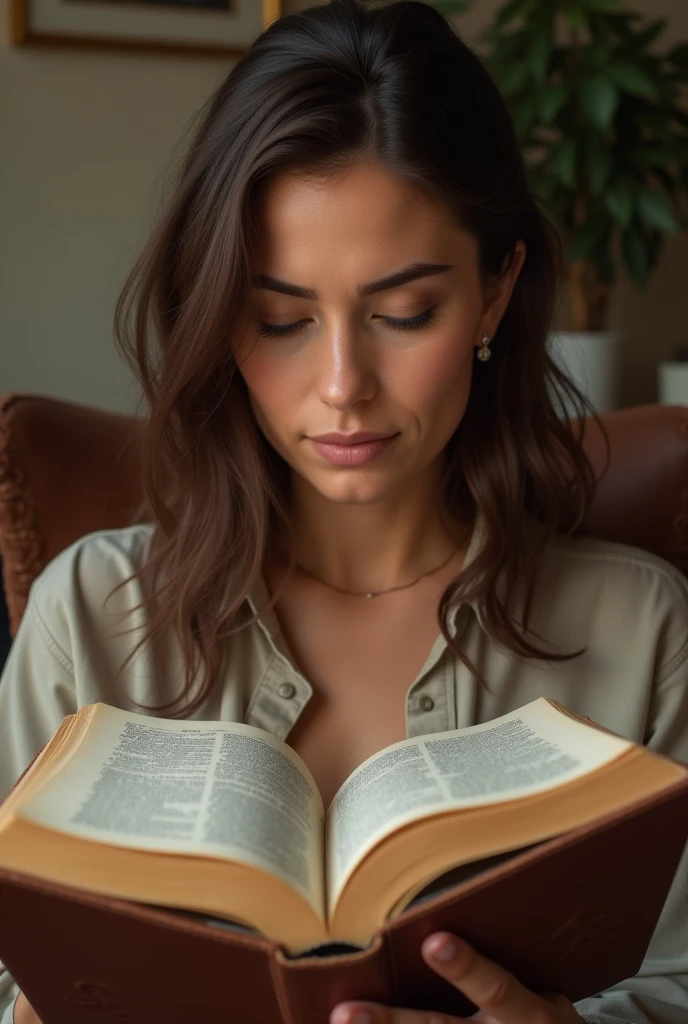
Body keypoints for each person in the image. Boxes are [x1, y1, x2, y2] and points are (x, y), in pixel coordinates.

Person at [1, 0, 687, 1021]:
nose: (341, 385)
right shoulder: (96, 617)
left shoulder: (642, 631)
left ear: (495, 295)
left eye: (403, 313)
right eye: (279, 318)